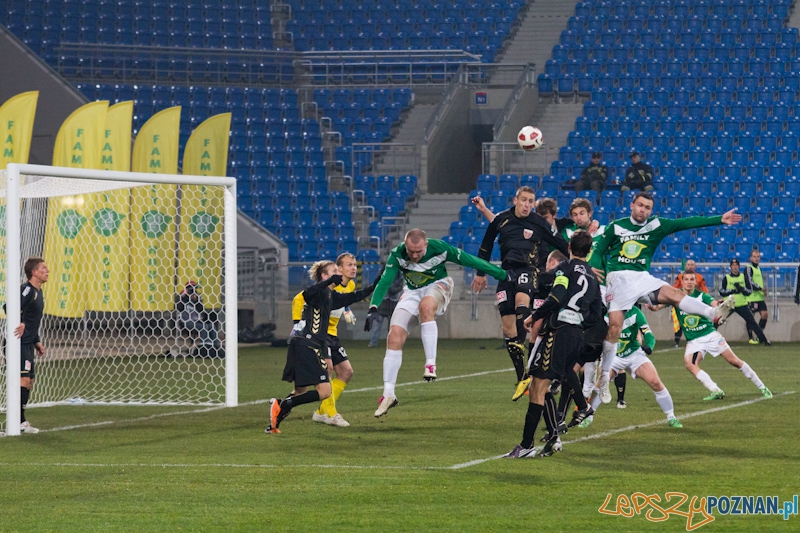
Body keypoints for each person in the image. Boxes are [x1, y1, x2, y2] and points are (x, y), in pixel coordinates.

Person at [589, 192, 741, 405]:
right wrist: (592, 267)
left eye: (647, 207)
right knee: (614, 329)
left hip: (642, 277)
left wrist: (718, 219)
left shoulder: (656, 225)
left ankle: (712, 314)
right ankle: (604, 378)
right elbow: (598, 250)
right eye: (640, 205)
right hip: (619, 279)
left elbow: (685, 222)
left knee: (674, 293)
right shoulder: (616, 227)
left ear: (651, 210)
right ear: (632, 205)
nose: (643, 210)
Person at [364, 228, 515, 418]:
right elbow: (385, 281)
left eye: (419, 251)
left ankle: (430, 364)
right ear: (405, 245)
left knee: (426, 307)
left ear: (426, 244)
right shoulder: (398, 254)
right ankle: (388, 394)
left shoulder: (440, 248)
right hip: (411, 291)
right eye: (411, 251)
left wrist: (502, 275)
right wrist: (373, 307)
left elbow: (470, 260)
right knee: (394, 336)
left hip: (439, 285)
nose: (415, 255)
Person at [504, 231, 601, 458]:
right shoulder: (593, 277)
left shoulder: (565, 269)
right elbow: (596, 315)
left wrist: (533, 316)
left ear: (569, 247)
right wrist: (578, 323)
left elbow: (556, 297)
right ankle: (579, 410)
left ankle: (527, 445)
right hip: (576, 333)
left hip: (559, 331)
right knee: (560, 375)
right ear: (589, 252)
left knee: (538, 386)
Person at [470, 187, 569, 401]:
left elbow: (562, 244)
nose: (526, 204)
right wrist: (480, 273)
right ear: (515, 200)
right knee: (507, 329)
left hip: (528, 271)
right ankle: (522, 375)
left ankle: (522, 344)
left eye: (530, 201)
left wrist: (579, 262)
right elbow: (485, 247)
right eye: (523, 200)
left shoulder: (539, 223)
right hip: (505, 274)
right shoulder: (501, 220)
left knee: (522, 303)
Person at [267, 260, 377, 434]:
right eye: (334, 271)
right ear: (325, 276)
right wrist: (327, 282)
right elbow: (308, 293)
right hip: (308, 344)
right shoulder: (317, 293)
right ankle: (285, 405)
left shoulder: (331, 296)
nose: (339, 273)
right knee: (324, 390)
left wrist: (378, 282)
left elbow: (356, 295)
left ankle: (274, 422)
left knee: (300, 390)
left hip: (303, 344)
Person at [649, 271, 772, 401]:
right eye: (686, 279)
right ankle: (715, 390)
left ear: (696, 282)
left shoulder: (702, 296)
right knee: (690, 364)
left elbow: (714, 304)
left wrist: (720, 305)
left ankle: (762, 387)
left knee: (734, 361)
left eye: (692, 279)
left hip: (709, 335)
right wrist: (653, 308)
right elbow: (659, 306)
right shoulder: (676, 297)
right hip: (694, 341)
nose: (689, 282)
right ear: (682, 282)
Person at [580, 305, 684, 430]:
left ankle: (671, 417)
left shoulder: (636, 313)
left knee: (655, 381)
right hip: (614, 356)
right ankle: (588, 417)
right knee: (602, 382)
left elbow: (648, 334)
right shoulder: (607, 314)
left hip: (634, 354)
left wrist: (649, 346)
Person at [290, 252, 360, 427]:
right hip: (318, 335)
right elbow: (300, 299)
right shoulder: (325, 286)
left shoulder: (350, 284)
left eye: (354, 264)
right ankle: (331, 413)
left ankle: (320, 411)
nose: (354, 268)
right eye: (349, 265)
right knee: (326, 370)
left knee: (346, 372)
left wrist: (347, 310)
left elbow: (342, 298)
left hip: (332, 335)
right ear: (340, 268)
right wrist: (297, 323)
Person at [13, 257, 50, 434]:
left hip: (28, 342)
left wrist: (37, 341)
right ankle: (19, 421)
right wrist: (18, 322)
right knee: (24, 380)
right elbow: (8, 307)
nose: (47, 271)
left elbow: (32, 320)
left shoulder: (39, 291)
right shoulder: (27, 289)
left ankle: (19, 419)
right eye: (43, 268)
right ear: (34, 272)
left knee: (29, 382)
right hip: (18, 342)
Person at [719, 258, 770, 346]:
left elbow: (749, 291)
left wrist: (742, 289)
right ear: (730, 267)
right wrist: (733, 291)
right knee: (717, 320)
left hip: (741, 304)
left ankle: (764, 340)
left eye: (736, 265)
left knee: (752, 322)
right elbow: (721, 291)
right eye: (733, 265)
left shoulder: (743, 277)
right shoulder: (726, 278)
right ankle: (706, 338)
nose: (735, 267)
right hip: (729, 304)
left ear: (739, 266)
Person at [671, 259, 708, 348]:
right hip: (681, 303)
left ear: (695, 267)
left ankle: (700, 339)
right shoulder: (680, 276)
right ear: (685, 266)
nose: (690, 266)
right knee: (679, 322)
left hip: (695, 303)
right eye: (688, 265)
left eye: (692, 265)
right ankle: (676, 341)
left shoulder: (700, 277)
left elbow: (704, 290)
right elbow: (674, 288)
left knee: (696, 321)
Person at [176, 280, 220, 356]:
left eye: (195, 288)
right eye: (191, 288)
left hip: (197, 320)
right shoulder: (181, 297)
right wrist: (183, 297)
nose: (193, 290)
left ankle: (216, 347)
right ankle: (204, 348)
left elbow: (202, 311)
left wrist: (196, 301)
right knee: (203, 327)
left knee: (211, 325)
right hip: (186, 322)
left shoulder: (198, 297)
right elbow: (178, 307)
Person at [368, 270, 404, 348]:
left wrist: (392, 289)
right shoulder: (382, 273)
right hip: (382, 303)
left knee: (392, 327)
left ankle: (391, 343)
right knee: (377, 326)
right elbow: (379, 285)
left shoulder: (399, 274)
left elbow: (400, 287)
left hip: (393, 304)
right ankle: (373, 343)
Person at [746, 249, 768, 344]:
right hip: (751, 297)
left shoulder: (758, 268)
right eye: (754, 257)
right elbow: (749, 281)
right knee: (750, 317)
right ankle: (751, 338)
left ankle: (759, 335)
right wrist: (760, 288)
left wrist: (762, 291)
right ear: (751, 258)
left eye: (758, 257)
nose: (756, 258)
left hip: (760, 297)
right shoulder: (748, 268)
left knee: (764, 315)